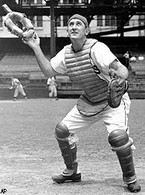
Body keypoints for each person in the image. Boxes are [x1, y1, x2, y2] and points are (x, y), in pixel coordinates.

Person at [22, 14, 141, 193]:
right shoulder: (66, 53)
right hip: (90, 101)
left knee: (118, 136)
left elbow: (121, 69)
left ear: (87, 30)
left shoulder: (97, 49)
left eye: (79, 24)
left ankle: (130, 178)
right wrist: (35, 47)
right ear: (68, 30)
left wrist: (121, 77)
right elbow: (48, 72)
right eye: (71, 24)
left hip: (112, 103)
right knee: (62, 130)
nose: (74, 26)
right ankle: (72, 172)